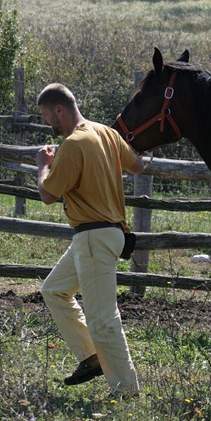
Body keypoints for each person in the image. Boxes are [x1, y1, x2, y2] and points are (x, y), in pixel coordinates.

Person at [35, 83, 144, 397]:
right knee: (54, 290)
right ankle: (92, 357)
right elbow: (137, 165)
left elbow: (47, 194)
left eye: (46, 115)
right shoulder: (106, 134)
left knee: (102, 318)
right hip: (106, 235)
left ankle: (126, 391)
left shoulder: (73, 144)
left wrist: (44, 165)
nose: (45, 122)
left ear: (59, 110)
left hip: (94, 237)